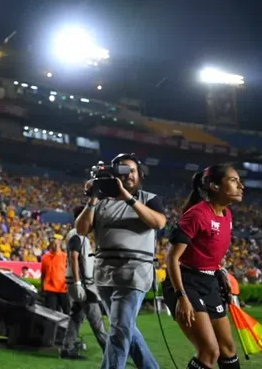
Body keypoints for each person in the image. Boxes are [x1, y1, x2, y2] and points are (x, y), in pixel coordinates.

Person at [75, 153, 166, 369]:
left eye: (132, 170)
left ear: (140, 174)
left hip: (134, 274)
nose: (128, 175)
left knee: (119, 331)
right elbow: (81, 229)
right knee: (124, 328)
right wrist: (93, 198)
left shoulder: (148, 198)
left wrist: (128, 198)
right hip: (105, 274)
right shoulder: (101, 202)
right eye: (123, 171)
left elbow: (159, 222)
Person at [162, 164, 242, 369]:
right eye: (234, 180)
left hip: (209, 283)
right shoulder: (197, 215)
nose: (241, 186)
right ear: (215, 186)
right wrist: (181, 297)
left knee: (228, 348)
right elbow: (172, 258)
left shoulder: (227, 215)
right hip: (185, 284)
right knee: (209, 351)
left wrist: (220, 271)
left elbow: (208, 252)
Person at [61, 205, 108, 360]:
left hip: (81, 283)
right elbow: (74, 258)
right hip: (84, 285)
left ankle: (67, 348)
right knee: (96, 320)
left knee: (76, 317)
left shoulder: (78, 235)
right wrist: (78, 283)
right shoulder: (77, 235)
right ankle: (109, 352)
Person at [40, 237, 69, 314]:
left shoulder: (65, 256)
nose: (56, 245)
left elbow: (71, 271)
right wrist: (42, 287)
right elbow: (43, 273)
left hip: (63, 288)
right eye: (54, 244)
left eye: (57, 244)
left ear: (60, 245)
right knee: (51, 313)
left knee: (67, 312)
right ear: (50, 245)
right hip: (50, 289)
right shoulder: (45, 257)